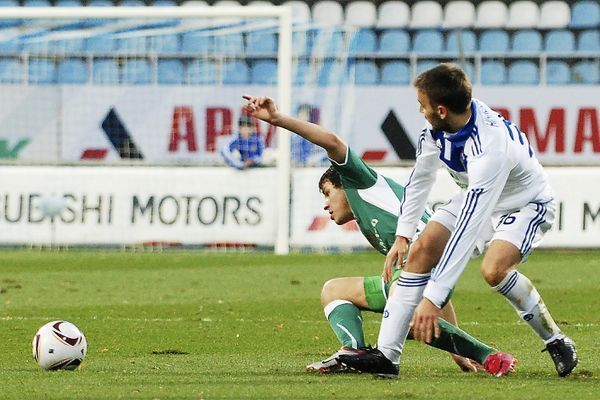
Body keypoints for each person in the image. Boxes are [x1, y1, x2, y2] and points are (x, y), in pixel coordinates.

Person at [242, 94, 516, 377]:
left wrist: (278, 119)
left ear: (343, 183)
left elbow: (332, 142)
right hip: (415, 269)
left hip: (421, 257)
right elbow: (437, 294)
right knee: (334, 291)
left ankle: (490, 356)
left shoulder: (359, 180)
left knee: (405, 319)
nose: (325, 204)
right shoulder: (368, 216)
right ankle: (353, 353)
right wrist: (456, 352)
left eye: (327, 193)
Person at [338, 63, 578, 378]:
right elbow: (421, 177)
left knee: (493, 270)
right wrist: (403, 235)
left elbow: (466, 231)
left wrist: (433, 298)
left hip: (525, 204)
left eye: (422, 104)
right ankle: (387, 357)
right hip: (476, 196)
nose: (420, 110)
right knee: (421, 249)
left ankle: (556, 339)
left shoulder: (489, 149)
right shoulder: (439, 126)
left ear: (441, 110)